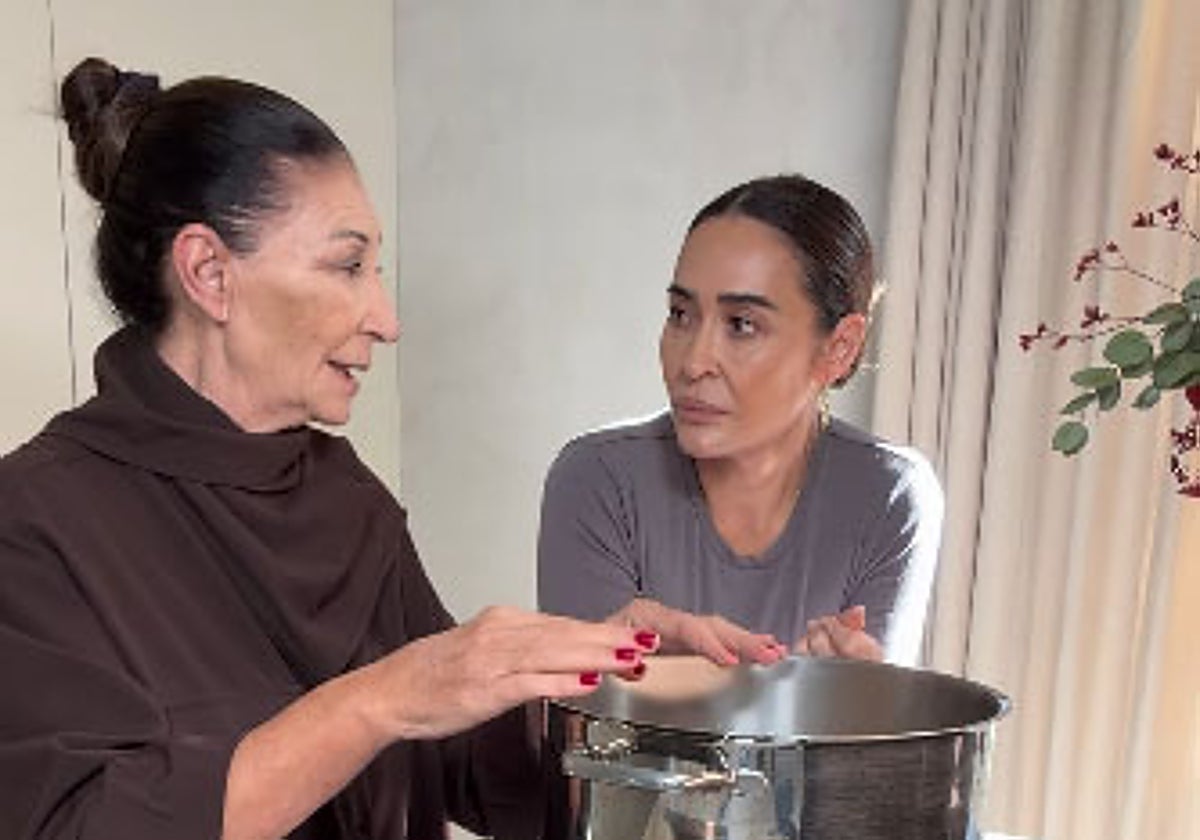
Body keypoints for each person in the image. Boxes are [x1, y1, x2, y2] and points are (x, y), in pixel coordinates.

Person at [0, 58, 780, 840]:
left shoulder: (345, 496)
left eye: (378, 270)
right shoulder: (34, 523)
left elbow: (462, 763)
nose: (384, 316)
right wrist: (382, 697)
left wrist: (607, 696)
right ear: (209, 273)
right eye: (347, 266)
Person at [538, 174, 944, 666]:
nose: (693, 362)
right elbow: (584, 721)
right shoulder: (597, 480)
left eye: (742, 325)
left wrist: (860, 708)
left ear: (840, 348)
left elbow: (877, 732)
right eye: (681, 314)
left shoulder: (889, 495)